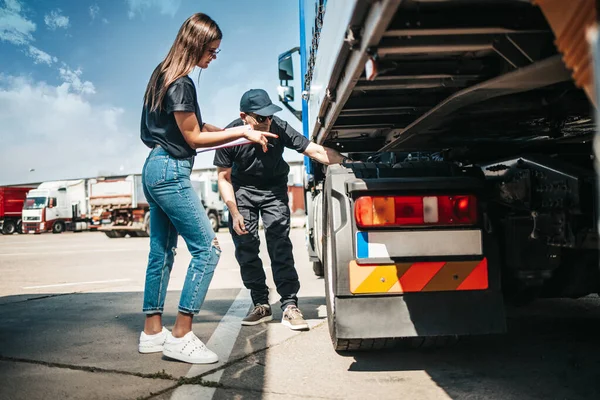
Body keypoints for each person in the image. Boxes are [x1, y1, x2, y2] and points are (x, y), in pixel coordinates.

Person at [137, 14, 277, 364]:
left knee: (161, 253)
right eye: (212, 50)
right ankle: (181, 335)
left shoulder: (161, 74)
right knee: (208, 250)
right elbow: (195, 137)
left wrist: (239, 130)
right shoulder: (182, 82)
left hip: (154, 168)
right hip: (170, 170)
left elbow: (196, 126)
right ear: (196, 44)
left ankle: (153, 331)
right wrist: (242, 132)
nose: (214, 57)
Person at [214, 89, 349, 330]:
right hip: (242, 192)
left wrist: (349, 162)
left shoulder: (279, 127)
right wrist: (234, 213)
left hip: (274, 191)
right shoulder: (229, 136)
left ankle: (289, 305)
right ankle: (260, 304)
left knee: (279, 245)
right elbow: (223, 178)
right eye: (261, 118)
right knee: (246, 245)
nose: (267, 122)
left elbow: (313, 150)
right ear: (244, 116)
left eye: (269, 116)